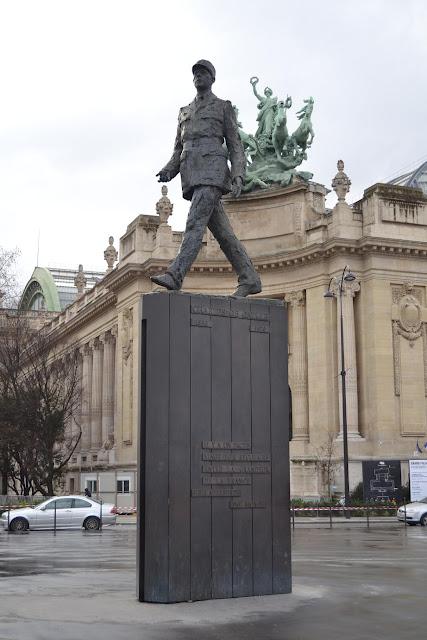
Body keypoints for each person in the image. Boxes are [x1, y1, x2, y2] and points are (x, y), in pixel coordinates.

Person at [151, 59, 261, 298]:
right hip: (192, 174)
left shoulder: (223, 107)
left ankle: (175, 274)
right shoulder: (184, 112)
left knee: (194, 224)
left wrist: (238, 175)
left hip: (213, 171)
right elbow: (178, 149)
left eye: (203, 73)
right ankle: (249, 277)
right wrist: (169, 170)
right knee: (223, 233)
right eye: (196, 74)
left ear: (212, 78)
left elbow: (236, 146)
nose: (198, 77)